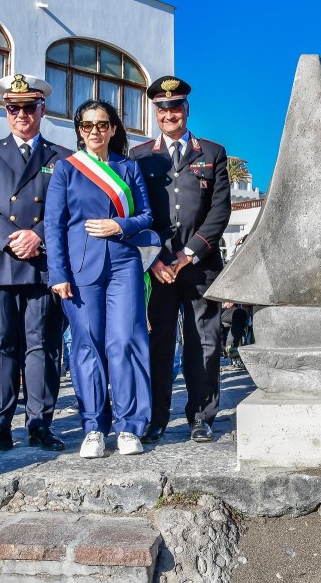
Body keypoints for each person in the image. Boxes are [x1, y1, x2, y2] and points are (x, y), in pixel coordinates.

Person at [0, 74, 71, 457]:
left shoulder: (62, 157)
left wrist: (37, 235)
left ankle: (40, 423)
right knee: (3, 343)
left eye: (29, 107)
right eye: (14, 108)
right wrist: (10, 236)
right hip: (1, 259)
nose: (21, 115)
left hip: (43, 262)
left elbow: (68, 206)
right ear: (6, 111)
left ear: (42, 109)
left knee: (42, 344)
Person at [46, 100, 155, 458]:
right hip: (80, 271)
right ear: (79, 130)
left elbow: (147, 217)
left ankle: (129, 426)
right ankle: (93, 426)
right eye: (88, 125)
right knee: (87, 345)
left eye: (102, 124)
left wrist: (118, 225)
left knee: (125, 341)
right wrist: (58, 273)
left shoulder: (128, 167)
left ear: (112, 129)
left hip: (124, 265)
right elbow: (54, 225)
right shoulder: (66, 169)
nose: (95, 131)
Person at [131, 76, 232, 443]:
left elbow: (220, 210)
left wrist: (189, 254)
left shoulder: (212, 153)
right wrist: (157, 259)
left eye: (175, 107)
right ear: (155, 113)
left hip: (200, 267)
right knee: (158, 343)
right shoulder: (141, 156)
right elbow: (137, 212)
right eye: (162, 109)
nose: (168, 114)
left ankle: (201, 416)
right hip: (158, 269)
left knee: (203, 343)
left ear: (186, 110)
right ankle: (156, 417)